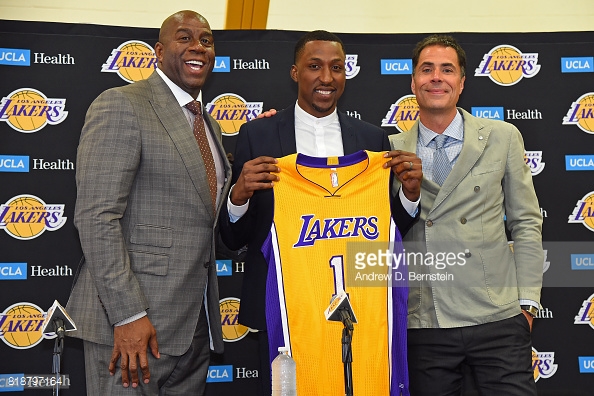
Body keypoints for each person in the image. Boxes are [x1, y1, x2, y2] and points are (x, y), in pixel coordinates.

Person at [218, 30, 422, 394]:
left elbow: (386, 229)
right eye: (315, 67)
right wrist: (239, 195)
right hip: (282, 304)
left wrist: (409, 195)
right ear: (295, 72)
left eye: (337, 68)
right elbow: (233, 239)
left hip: (358, 305)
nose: (326, 78)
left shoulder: (373, 139)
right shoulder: (257, 134)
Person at [66, 10, 231, 395]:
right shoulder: (122, 104)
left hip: (194, 330)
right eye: (184, 37)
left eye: (206, 40)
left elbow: (205, 216)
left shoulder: (210, 125)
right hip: (131, 329)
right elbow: (96, 217)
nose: (197, 47)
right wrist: (128, 314)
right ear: (158, 51)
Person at [386, 34, 543, 395]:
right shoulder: (389, 149)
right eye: (427, 70)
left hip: (498, 317)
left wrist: (527, 303)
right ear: (413, 82)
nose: (436, 77)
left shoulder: (502, 137)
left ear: (461, 82)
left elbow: (526, 222)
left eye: (447, 69)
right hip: (425, 321)